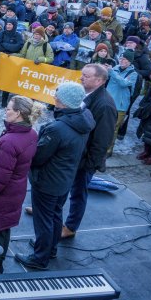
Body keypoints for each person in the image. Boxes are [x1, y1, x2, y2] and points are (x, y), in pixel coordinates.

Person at [16, 82, 94, 270]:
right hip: (65, 177)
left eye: (58, 96)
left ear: (65, 102)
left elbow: (39, 156)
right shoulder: (84, 117)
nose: (54, 98)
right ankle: (50, 248)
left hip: (48, 181)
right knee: (56, 214)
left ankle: (39, 258)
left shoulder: (57, 128)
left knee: (43, 220)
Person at [0, 96, 42, 275]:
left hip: (3, 195)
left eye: (9, 108)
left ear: (18, 113)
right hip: (17, 190)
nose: (6, 110)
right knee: (4, 228)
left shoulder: (9, 141)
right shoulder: (31, 133)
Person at [60, 64, 117, 240]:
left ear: (99, 80)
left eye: (86, 76)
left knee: (78, 192)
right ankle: (52, 211)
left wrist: (90, 164)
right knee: (62, 185)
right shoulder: (86, 94)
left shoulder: (105, 105)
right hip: (74, 153)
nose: (81, 77)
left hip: (85, 159)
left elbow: (103, 140)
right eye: (82, 74)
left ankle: (71, 226)